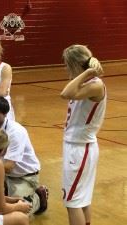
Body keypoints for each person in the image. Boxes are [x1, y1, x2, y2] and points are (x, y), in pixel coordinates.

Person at [60, 44, 106, 225]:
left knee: (72, 202)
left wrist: (87, 72)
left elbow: (66, 93)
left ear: (75, 65)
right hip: (78, 147)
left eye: (67, 65)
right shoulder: (86, 83)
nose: (65, 69)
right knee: (81, 199)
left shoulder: (95, 84)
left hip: (80, 149)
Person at [0, 96, 48, 216]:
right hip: (0, 173)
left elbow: (9, 166)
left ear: (6, 114)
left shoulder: (16, 132)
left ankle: (38, 197)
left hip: (23, 176)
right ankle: (6, 191)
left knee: (19, 212)